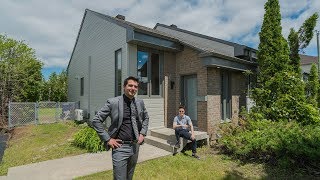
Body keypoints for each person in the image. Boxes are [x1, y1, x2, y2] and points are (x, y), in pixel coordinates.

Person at [89, 76, 149, 180]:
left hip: (135, 146)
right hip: (120, 147)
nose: (133, 88)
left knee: (129, 177)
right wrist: (108, 139)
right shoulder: (113, 102)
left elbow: (146, 118)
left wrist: (142, 134)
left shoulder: (139, 103)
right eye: (130, 85)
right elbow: (96, 120)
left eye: (135, 86)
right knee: (119, 178)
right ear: (124, 87)